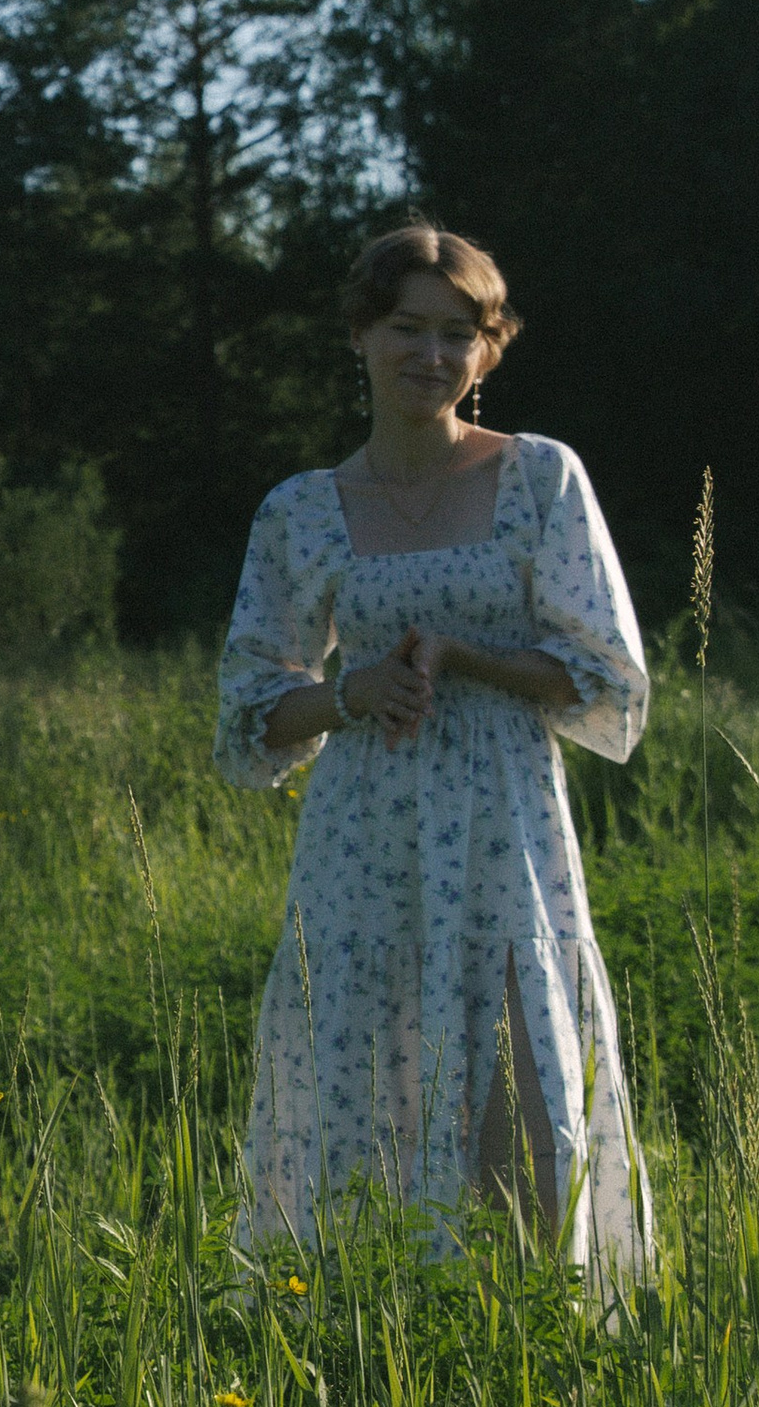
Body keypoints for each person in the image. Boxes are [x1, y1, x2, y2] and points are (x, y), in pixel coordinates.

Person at [213, 226, 651, 1272]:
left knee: (523, 1082)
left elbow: (604, 678)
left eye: (459, 333)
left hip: (504, 823)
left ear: (488, 353)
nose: (432, 354)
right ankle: (370, 1343)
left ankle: (542, 1335)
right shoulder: (301, 510)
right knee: (363, 1073)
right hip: (361, 833)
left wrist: (463, 655)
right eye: (407, 327)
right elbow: (246, 711)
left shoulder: (540, 479)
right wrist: (347, 694)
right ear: (361, 336)